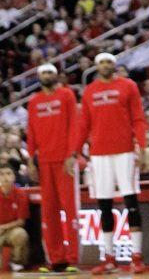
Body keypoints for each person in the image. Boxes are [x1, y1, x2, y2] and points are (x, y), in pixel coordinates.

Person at [77, 53, 147, 275]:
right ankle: (109, 258)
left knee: (131, 201)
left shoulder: (128, 86)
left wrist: (142, 147)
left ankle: (137, 257)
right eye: (101, 62)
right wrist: (74, 152)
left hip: (125, 151)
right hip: (98, 154)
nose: (105, 65)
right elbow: (83, 124)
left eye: (109, 62)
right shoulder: (89, 91)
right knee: (104, 206)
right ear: (96, 66)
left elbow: (138, 118)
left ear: (114, 64)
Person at [27, 63, 80, 274]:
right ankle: (56, 259)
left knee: (70, 209)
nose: (46, 76)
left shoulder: (66, 95)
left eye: (50, 72)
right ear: (39, 77)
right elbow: (30, 132)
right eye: (43, 73)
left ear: (56, 75)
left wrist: (72, 154)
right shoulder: (34, 101)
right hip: (45, 162)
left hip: (64, 161)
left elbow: (74, 126)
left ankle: (73, 258)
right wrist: (31, 159)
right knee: (49, 213)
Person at [0, 163, 29, 273]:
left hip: (11, 231)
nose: (5, 177)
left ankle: (17, 262)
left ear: (14, 177)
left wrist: (3, 227)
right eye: (1, 174)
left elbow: (21, 221)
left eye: (8, 173)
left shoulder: (21, 194)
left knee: (20, 234)